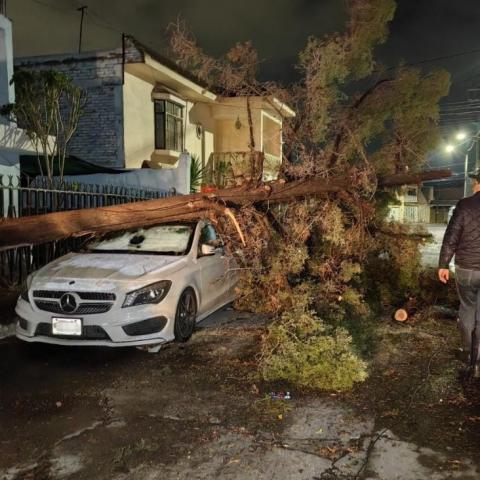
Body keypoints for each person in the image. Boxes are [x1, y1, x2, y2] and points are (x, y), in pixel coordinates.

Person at [439, 169, 480, 377]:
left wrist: (443, 264)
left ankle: (467, 352)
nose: (473, 185)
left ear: (478, 184)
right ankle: (479, 358)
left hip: (466, 268)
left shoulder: (464, 205)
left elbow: (451, 236)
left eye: (475, 182)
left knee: (467, 308)